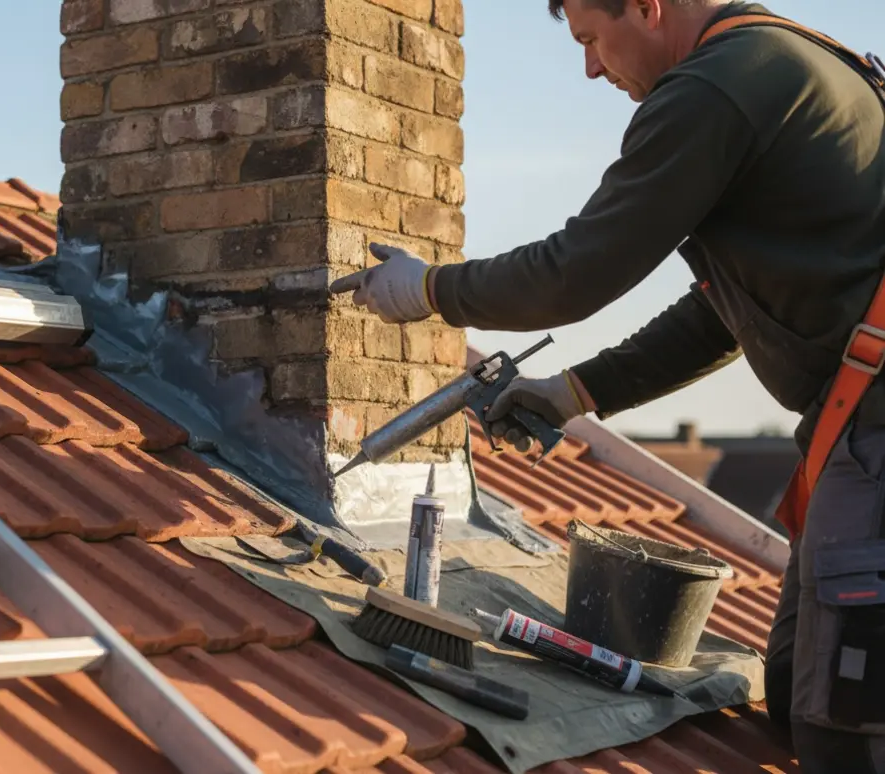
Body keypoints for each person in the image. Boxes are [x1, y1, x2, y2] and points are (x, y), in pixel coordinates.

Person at [329, 2, 885, 772]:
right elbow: (725, 314)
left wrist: (428, 288)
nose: (591, 67)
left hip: (876, 444)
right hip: (853, 438)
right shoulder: (787, 62)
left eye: (592, 38)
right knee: (797, 686)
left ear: (650, 8)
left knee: (848, 724)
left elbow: (575, 270)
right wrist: (576, 391)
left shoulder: (714, 90)